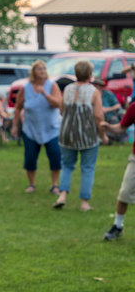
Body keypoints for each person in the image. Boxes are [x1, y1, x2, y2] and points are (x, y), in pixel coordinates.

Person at [53, 61, 109, 211]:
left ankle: (62, 195)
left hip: (67, 133)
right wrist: (103, 134)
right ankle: (84, 203)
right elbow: (98, 115)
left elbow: (62, 111)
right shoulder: (94, 91)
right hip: (88, 135)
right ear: (90, 75)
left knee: (67, 165)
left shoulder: (68, 89)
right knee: (88, 168)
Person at [12, 60, 63, 194]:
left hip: (51, 128)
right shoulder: (26, 88)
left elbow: (58, 104)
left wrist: (45, 94)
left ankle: (54, 185)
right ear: (33, 72)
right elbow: (18, 107)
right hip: (31, 129)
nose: (42, 71)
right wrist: (14, 126)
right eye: (39, 68)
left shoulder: (52, 85)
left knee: (55, 155)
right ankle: (31, 184)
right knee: (30, 157)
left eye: (44, 68)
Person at [101, 104, 135, 240]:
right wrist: (110, 128)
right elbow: (122, 127)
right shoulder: (133, 107)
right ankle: (117, 225)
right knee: (124, 192)